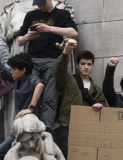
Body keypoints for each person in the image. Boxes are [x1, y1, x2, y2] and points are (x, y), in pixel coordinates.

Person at [17, 0, 78, 130]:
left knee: (50, 96)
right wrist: (27, 36)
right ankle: (29, 127)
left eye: (42, 3)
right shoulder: (31, 15)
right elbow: (20, 41)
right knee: (30, 94)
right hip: (32, 60)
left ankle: (46, 128)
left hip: (53, 59)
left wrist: (49, 28)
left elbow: (74, 33)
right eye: (38, 4)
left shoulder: (61, 14)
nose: (40, 6)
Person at [53, 40, 107, 160]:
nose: (86, 67)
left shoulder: (96, 89)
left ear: (93, 66)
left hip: (87, 131)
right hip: (68, 127)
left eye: (89, 64)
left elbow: (105, 108)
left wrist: (100, 106)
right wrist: (66, 52)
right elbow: (59, 70)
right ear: (77, 65)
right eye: (83, 64)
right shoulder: (69, 80)